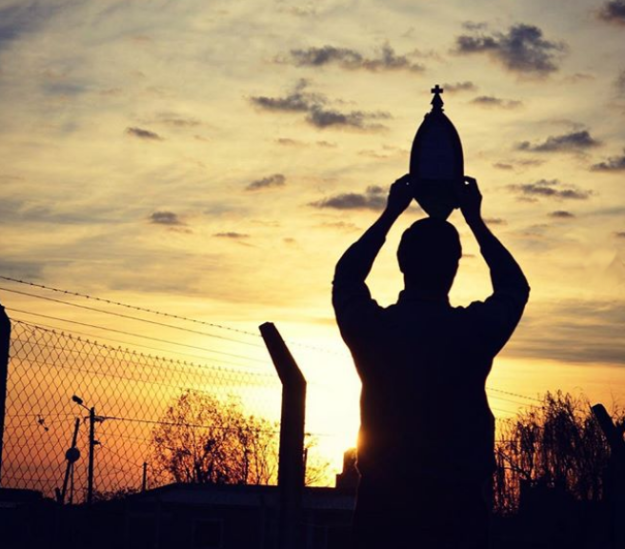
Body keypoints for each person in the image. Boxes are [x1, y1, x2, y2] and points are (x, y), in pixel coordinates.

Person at [332, 174, 530, 548]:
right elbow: (514, 287)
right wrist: (475, 220)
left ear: (401, 262)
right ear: (454, 267)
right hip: (456, 512)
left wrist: (390, 213)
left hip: (382, 512)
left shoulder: (373, 330)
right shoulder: (472, 332)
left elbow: (346, 278)